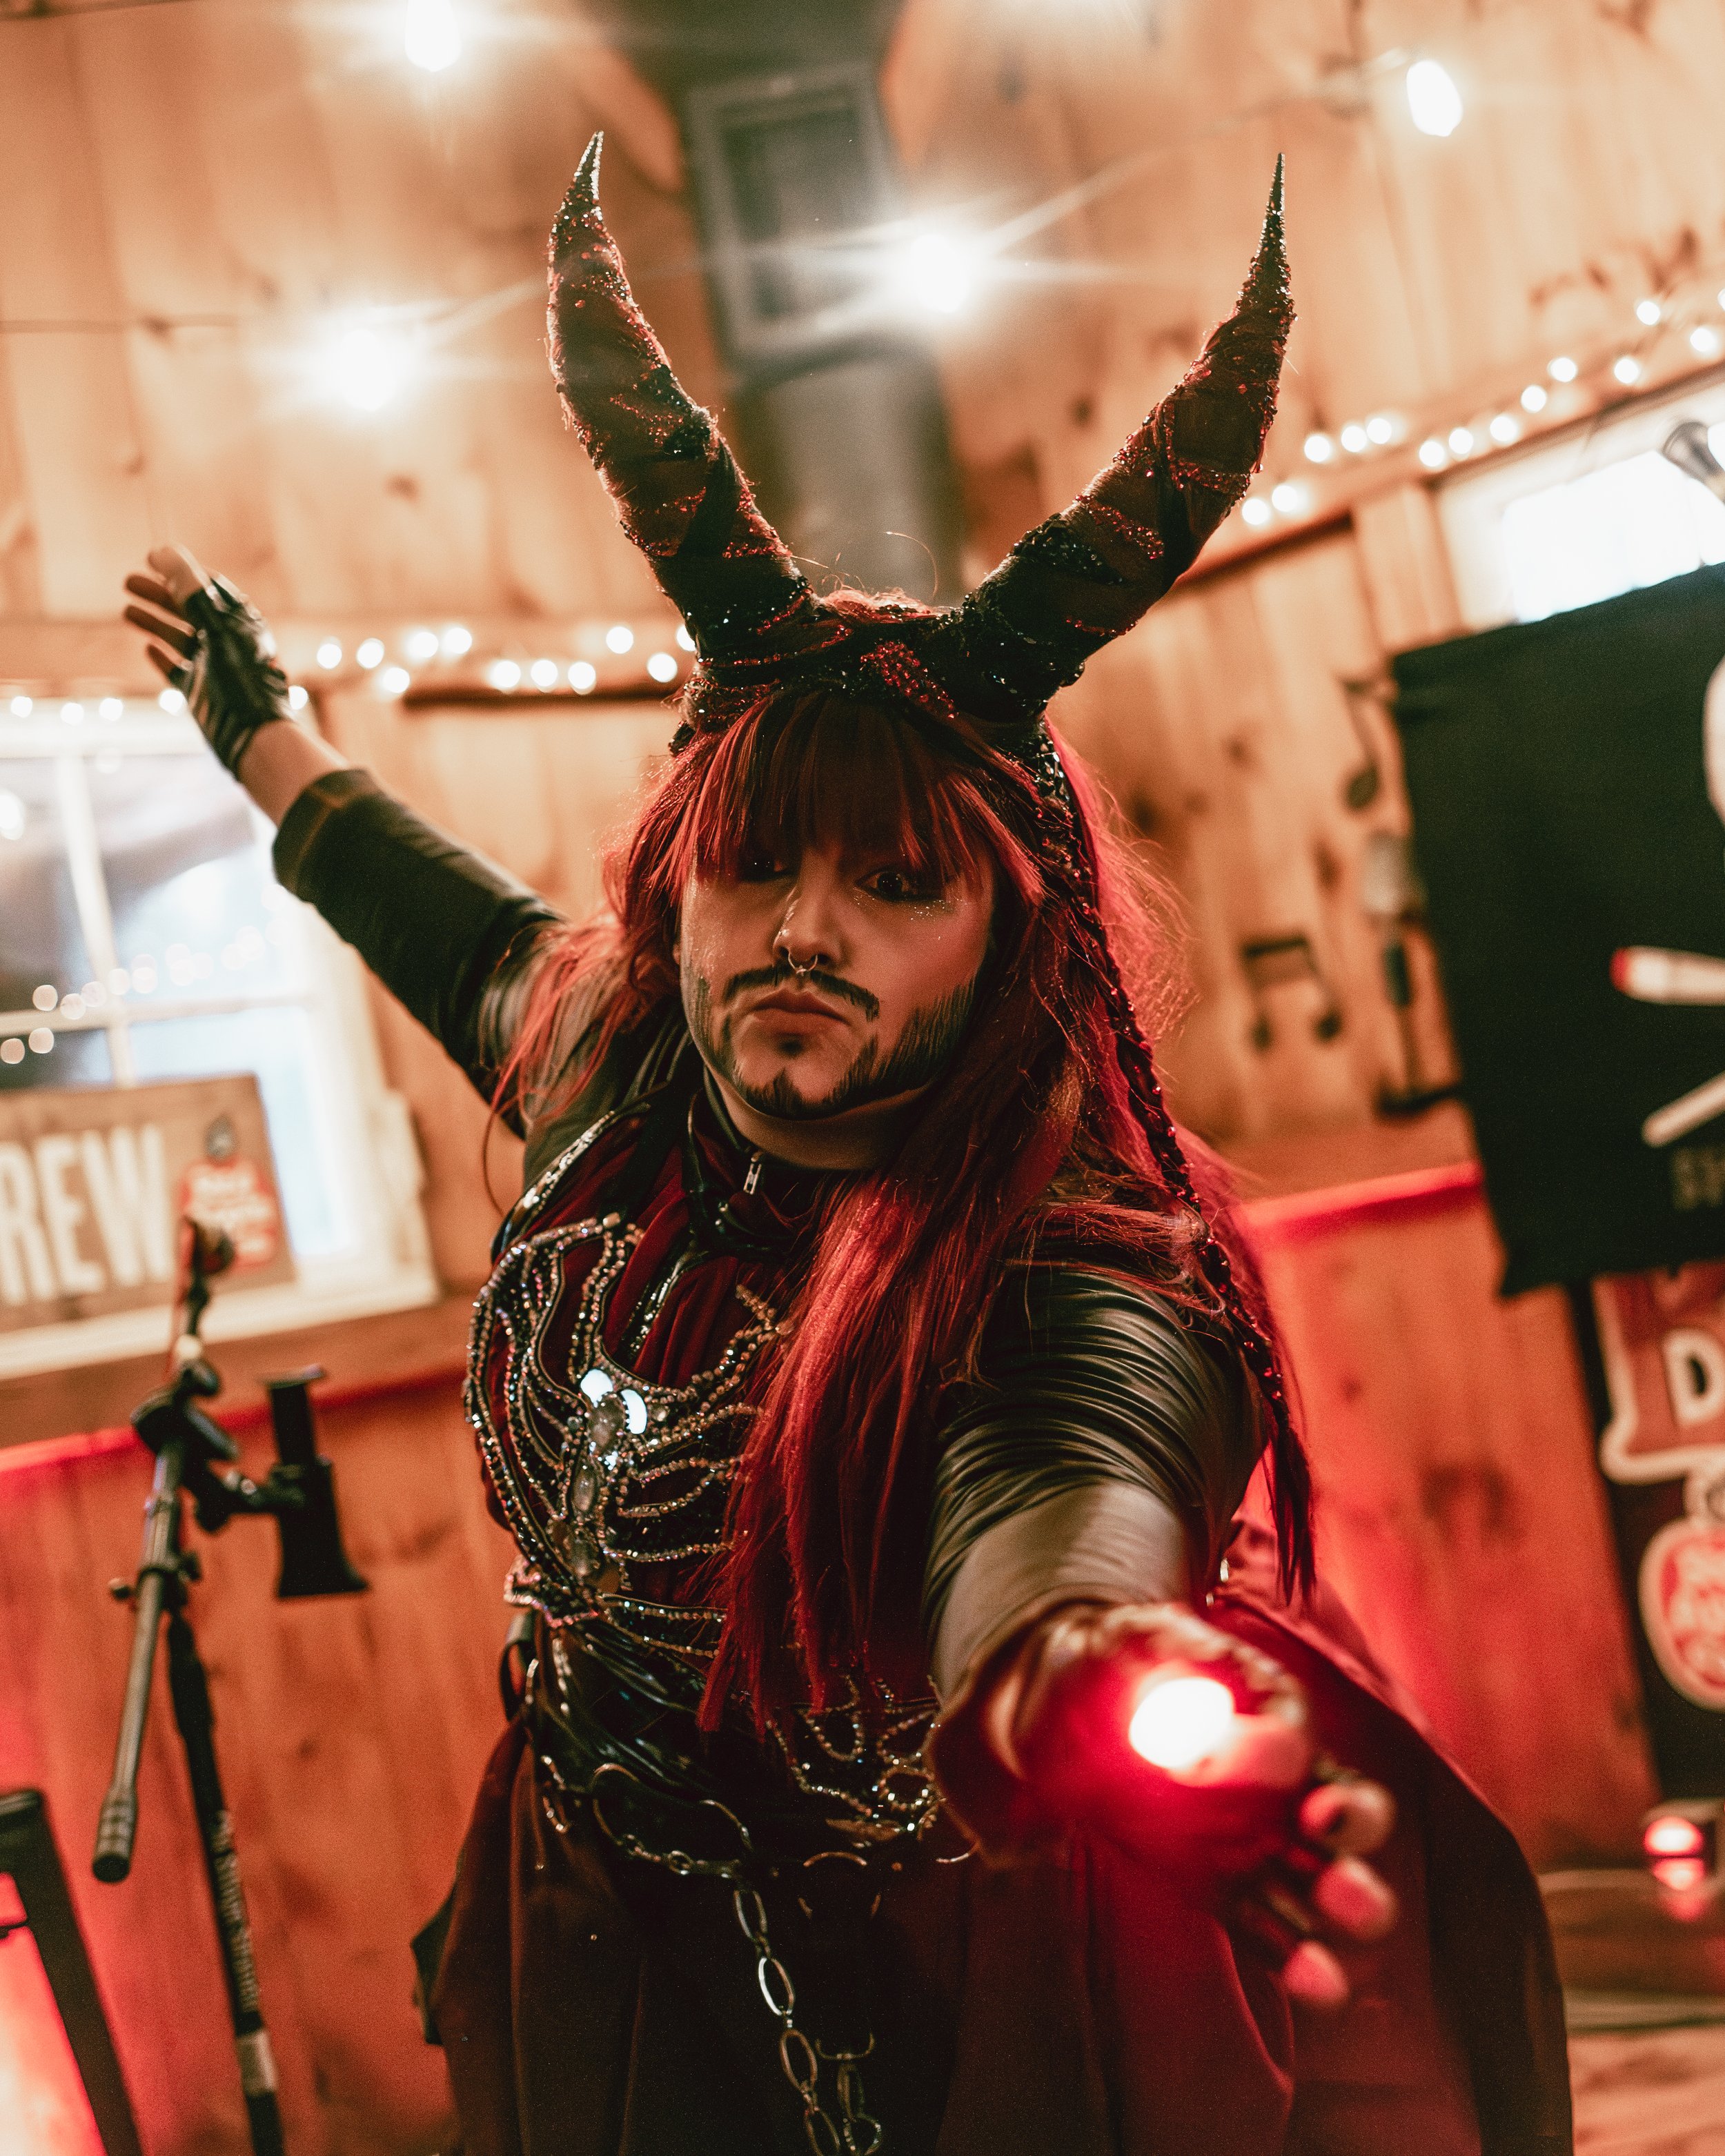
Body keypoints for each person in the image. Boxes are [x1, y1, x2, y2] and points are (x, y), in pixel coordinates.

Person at [124, 139, 1570, 2156]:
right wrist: (266, 740)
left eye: (894, 880)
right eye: (754, 864)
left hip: (961, 1954)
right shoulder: (616, 1059)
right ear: (676, 885)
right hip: (614, 1907)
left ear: (1005, 931)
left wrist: (1087, 1674)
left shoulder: (1065, 1252)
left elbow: (1063, 1483)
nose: (801, 928)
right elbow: (431, 913)